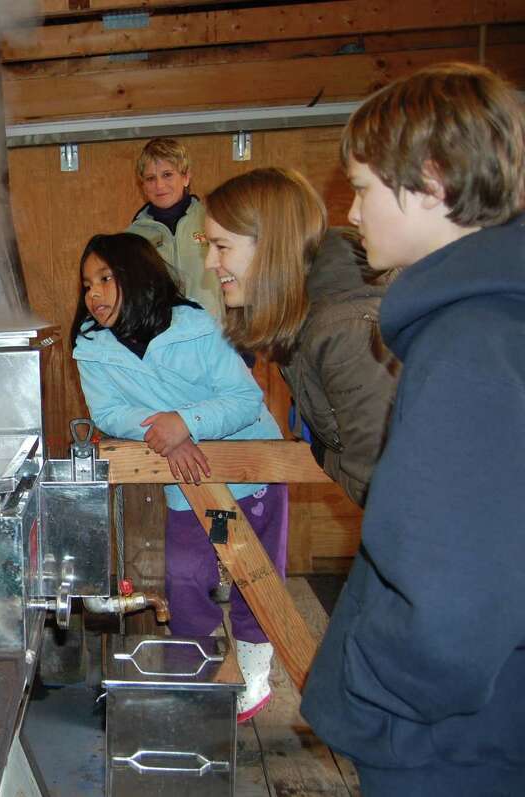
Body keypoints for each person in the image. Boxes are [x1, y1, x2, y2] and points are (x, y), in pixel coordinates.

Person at [299, 63, 525, 795]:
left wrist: (369, 680)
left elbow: (452, 609)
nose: (353, 214)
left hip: (448, 750)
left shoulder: (471, 344)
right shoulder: (490, 323)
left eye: (362, 188)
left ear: (431, 180)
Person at [71, 232, 287, 721]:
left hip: (249, 470)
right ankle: (198, 661)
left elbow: (244, 399)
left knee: (257, 575)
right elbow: (109, 411)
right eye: (87, 284)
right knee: (187, 572)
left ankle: (254, 668)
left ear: (140, 278)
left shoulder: (194, 327)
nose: (94, 294)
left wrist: (185, 423)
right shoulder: (92, 348)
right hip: (185, 478)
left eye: (106, 279)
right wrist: (170, 432)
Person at [202, 167, 400, 507]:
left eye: (221, 247)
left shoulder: (345, 332)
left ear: (270, 247)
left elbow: (390, 491)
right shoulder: (303, 323)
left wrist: (325, 454)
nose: (209, 263)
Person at [125, 137, 224, 318]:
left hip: (212, 335)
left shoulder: (214, 220)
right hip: (163, 339)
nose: (159, 185)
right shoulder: (132, 238)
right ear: (143, 186)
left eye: (167, 174)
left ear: (186, 177)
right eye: (150, 178)